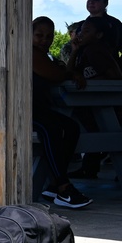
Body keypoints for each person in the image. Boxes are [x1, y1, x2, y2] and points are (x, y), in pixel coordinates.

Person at [30, 16, 92, 209]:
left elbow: (61, 69)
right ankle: (64, 187)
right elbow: (55, 74)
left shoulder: (46, 56)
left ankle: (55, 184)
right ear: (29, 35)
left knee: (71, 127)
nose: (44, 40)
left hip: (41, 109)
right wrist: (69, 73)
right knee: (51, 130)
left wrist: (72, 56)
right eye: (39, 35)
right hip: (23, 111)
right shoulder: (29, 53)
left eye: (49, 37)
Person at [66, 16, 122, 179]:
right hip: (96, 109)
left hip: (108, 109)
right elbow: (68, 72)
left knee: (67, 123)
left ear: (99, 35)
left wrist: (92, 83)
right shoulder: (85, 51)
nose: (81, 34)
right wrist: (75, 50)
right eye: (80, 31)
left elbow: (115, 77)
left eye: (86, 31)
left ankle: (88, 166)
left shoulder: (96, 50)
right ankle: (89, 167)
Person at [72, 0, 122, 75]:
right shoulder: (80, 26)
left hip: (107, 80)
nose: (91, 1)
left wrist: (118, 73)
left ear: (105, 3)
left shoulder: (116, 25)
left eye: (96, 0)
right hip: (82, 78)